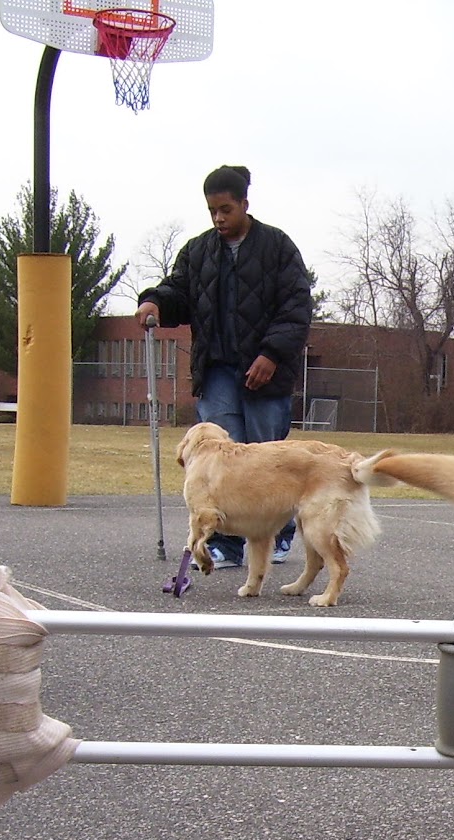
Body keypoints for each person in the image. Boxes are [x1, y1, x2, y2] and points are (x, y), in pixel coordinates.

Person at [136, 164, 313, 570]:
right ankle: (227, 543)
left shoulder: (278, 247)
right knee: (220, 461)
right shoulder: (198, 251)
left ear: (244, 205)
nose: (219, 218)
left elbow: (296, 307)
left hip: (265, 368)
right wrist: (155, 302)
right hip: (217, 369)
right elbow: (178, 289)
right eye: (212, 210)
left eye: (226, 209)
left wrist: (270, 354)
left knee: (268, 456)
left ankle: (276, 534)